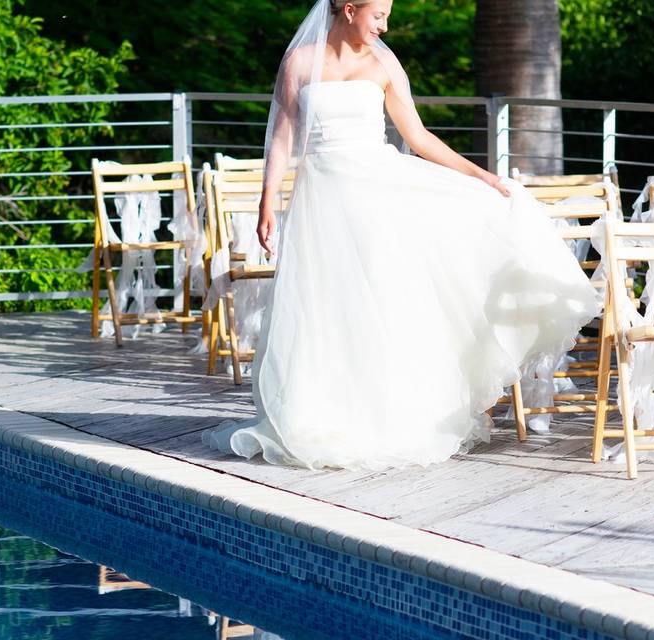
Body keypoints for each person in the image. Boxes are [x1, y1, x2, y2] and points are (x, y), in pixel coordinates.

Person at [203, 0, 600, 470]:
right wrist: (267, 200)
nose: (385, 25)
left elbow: (419, 137)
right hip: (322, 203)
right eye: (378, 15)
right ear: (349, 9)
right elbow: (284, 135)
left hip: (378, 199)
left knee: (382, 306)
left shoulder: (383, 62)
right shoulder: (301, 61)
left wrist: (482, 178)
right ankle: (317, 415)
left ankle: (386, 417)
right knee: (323, 308)